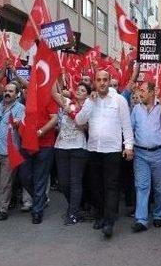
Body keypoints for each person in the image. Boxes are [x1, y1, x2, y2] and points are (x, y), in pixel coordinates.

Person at [76, 70, 134, 239]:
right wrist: (89, 104)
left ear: (109, 81)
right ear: (94, 82)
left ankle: (109, 221)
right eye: (99, 80)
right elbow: (80, 121)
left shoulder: (119, 100)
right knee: (96, 187)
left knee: (111, 186)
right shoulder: (90, 101)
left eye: (105, 80)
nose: (102, 83)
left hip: (112, 151)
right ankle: (101, 215)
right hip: (94, 150)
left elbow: (126, 126)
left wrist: (128, 146)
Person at [130, 81, 161, 232]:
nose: (139, 93)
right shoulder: (136, 109)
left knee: (159, 187)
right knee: (141, 186)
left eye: (142, 90)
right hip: (140, 153)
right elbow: (131, 129)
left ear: (151, 92)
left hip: (160, 153)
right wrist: (129, 147)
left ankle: (158, 215)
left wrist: (160, 99)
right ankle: (141, 219)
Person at [18, 87, 59, 225]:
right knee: (24, 176)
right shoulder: (28, 100)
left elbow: (55, 119)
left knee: (40, 178)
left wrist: (41, 131)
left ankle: (37, 211)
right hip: (27, 143)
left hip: (45, 145)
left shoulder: (49, 98)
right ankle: (40, 199)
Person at [0, 82, 25, 221]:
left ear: (17, 94)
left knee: (5, 182)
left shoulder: (21, 108)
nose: (7, 93)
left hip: (9, 151)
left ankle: (3, 208)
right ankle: (11, 195)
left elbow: (21, 124)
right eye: (6, 90)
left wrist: (17, 123)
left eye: (11, 91)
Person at [55, 82, 90, 225]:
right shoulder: (67, 101)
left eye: (83, 90)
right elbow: (53, 93)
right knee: (63, 182)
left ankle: (73, 213)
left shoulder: (89, 107)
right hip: (61, 146)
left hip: (78, 147)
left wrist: (74, 114)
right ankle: (74, 205)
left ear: (87, 94)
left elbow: (86, 127)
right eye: (78, 89)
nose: (80, 91)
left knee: (75, 181)